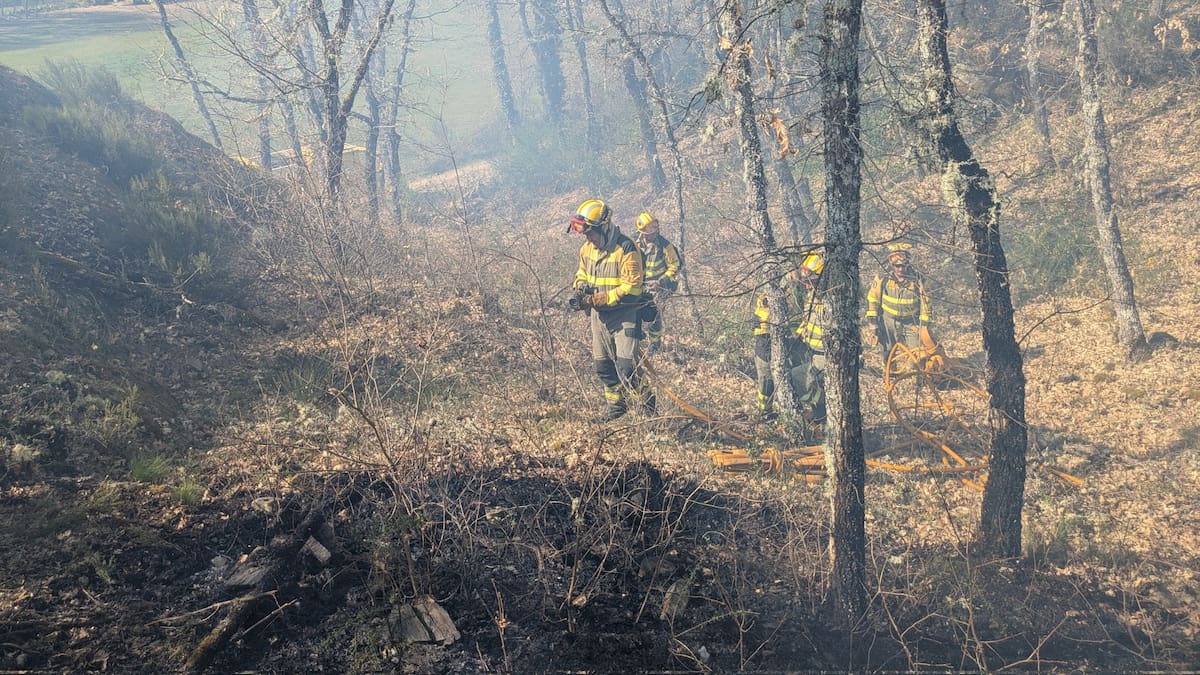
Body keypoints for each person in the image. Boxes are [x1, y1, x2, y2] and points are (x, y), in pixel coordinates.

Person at [567, 199, 655, 421]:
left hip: (624, 315)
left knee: (627, 369)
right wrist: (579, 288)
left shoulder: (626, 248)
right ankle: (616, 408)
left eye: (591, 234)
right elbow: (581, 273)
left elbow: (632, 286)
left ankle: (650, 409)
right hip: (599, 316)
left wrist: (602, 298)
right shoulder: (587, 249)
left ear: (604, 228)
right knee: (604, 367)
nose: (588, 239)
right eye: (585, 235)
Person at [751, 252, 826, 424]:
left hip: (813, 351)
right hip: (769, 341)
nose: (805, 284)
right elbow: (760, 320)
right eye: (800, 276)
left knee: (800, 382)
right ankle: (767, 415)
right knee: (769, 381)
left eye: (809, 279)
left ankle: (819, 417)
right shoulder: (774, 294)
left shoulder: (821, 297)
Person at [865, 243, 931, 370]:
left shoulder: (918, 279)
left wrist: (923, 326)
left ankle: (915, 378)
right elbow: (873, 299)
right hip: (888, 321)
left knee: (916, 353)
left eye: (903, 266)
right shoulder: (882, 278)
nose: (900, 269)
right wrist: (873, 324)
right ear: (891, 265)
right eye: (897, 266)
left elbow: (926, 303)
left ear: (908, 264)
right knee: (887, 351)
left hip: (911, 323)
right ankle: (890, 375)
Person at [633, 212, 682, 353]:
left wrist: (661, 281)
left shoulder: (665, 246)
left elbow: (675, 265)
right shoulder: (634, 244)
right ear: (642, 231)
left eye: (655, 228)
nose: (653, 232)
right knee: (634, 310)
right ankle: (636, 336)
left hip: (661, 286)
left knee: (654, 314)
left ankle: (655, 344)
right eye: (649, 229)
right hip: (640, 284)